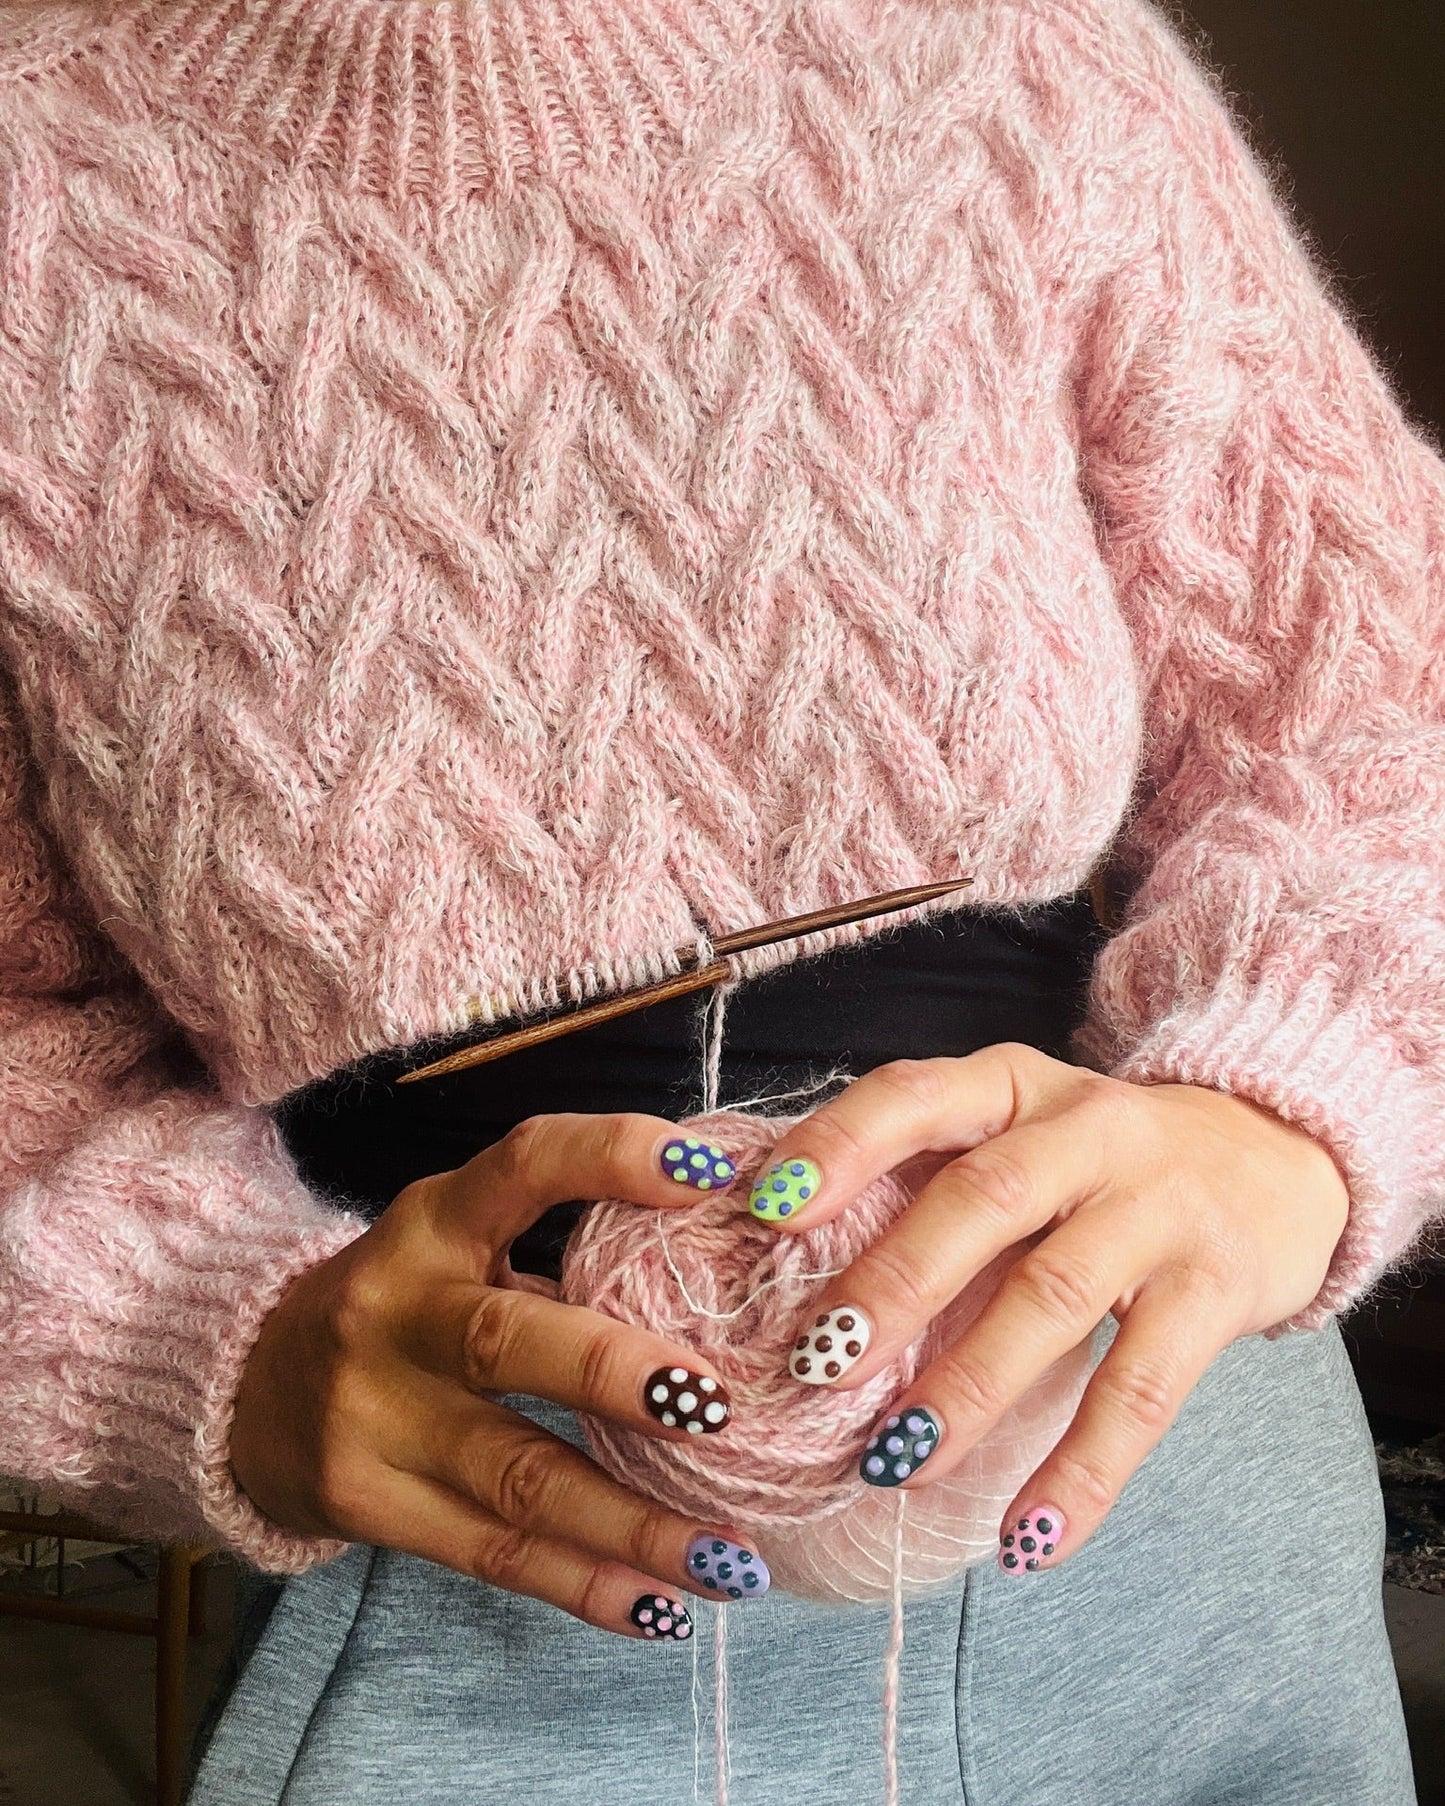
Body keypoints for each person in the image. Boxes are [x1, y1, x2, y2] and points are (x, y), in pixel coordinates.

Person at [0, 0, 1439, 1799]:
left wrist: (1277, 1108)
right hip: (475, 1587)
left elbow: (1380, 696)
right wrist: (190, 1329)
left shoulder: (1018, 63)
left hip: (1174, 1528)